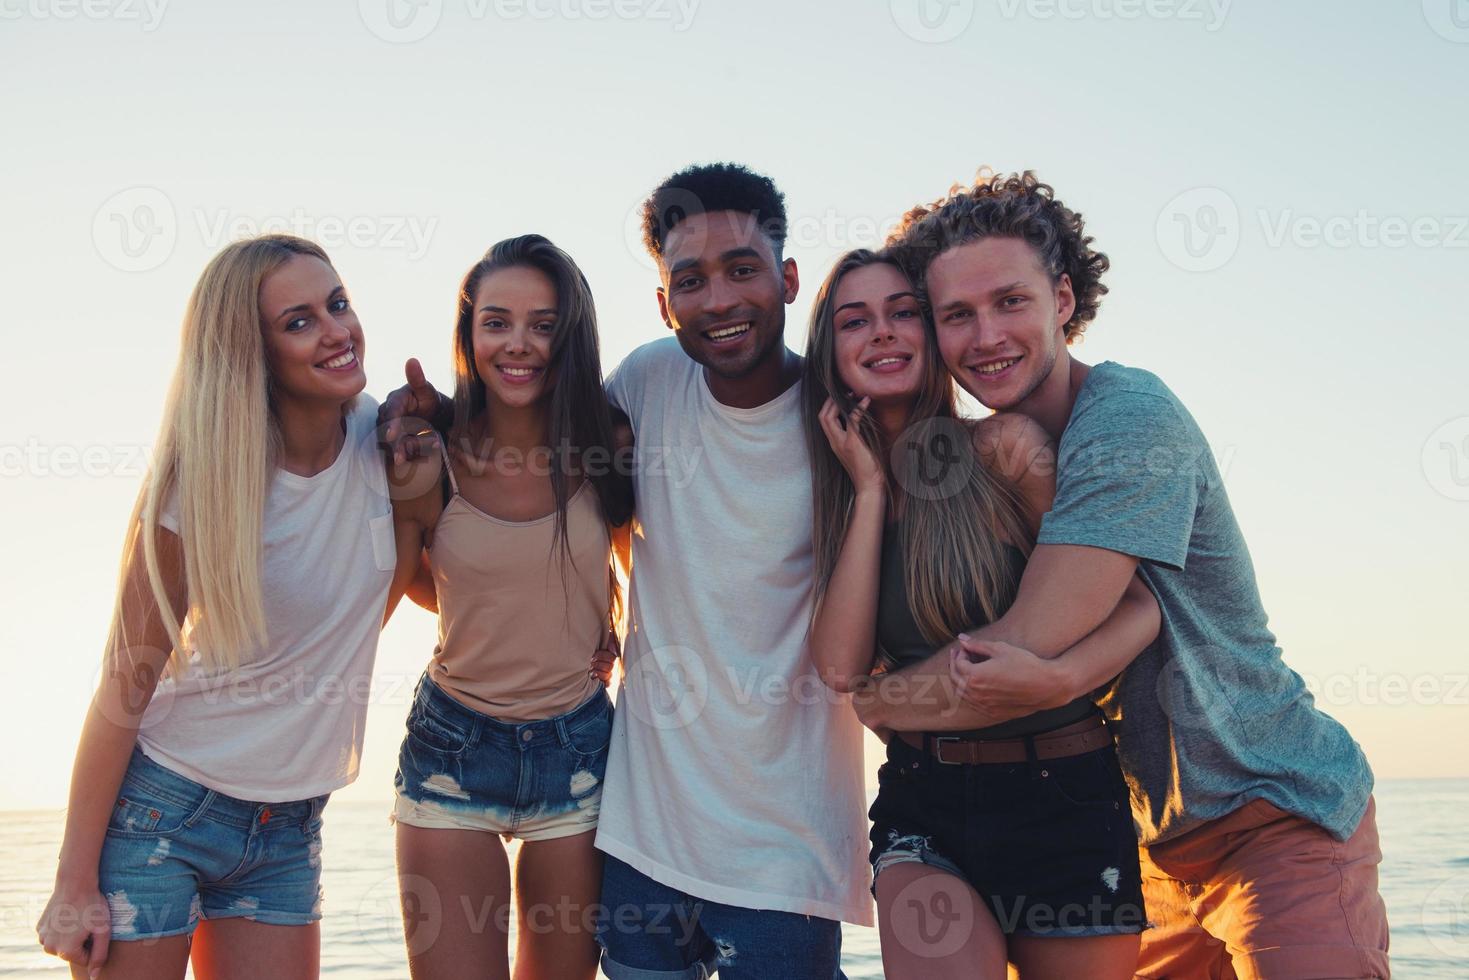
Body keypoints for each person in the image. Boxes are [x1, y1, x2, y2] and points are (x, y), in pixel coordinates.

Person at [866, 171, 1390, 979]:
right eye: (956, 315)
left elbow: (1030, 637)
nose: (986, 335)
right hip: (1140, 838)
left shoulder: (1127, 418)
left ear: (1063, 300)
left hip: (1272, 812)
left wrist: (866, 700)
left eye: (1010, 301)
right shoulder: (978, 462)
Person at [379, 164, 874, 980]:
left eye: (741, 270)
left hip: (762, 841)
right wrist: (432, 416)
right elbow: (519, 487)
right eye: (690, 280)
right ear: (663, 301)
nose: (717, 299)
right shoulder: (645, 384)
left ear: (787, 279)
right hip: (626, 821)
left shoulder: (841, 416)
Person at [37, 235, 399, 979]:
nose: (335, 330)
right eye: (297, 321)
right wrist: (73, 885)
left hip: (290, 827)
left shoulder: (389, 442)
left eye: (337, 303)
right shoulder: (198, 485)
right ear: (251, 351)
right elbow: (124, 685)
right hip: (163, 812)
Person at [805, 248, 1158, 978]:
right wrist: (870, 490)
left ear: (933, 331)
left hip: (1063, 791)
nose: (882, 334)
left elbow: (1134, 606)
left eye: (903, 312)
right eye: (854, 321)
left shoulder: (1003, 450)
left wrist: (1058, 680)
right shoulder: (841, 496)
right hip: (923, 802)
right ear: (829, 350)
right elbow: (841, 667)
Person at [385, 234, 632, 980]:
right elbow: (418, 586)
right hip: (452, 752)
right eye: (496, 322)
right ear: (469, 333)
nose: (517, 344)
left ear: (571, 335)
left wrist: (606, 622)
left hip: (580, 755)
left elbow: (639, 561)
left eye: (542, 324)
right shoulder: (431, 453)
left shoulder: (608, 442)